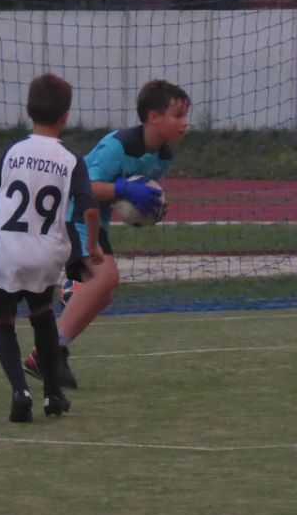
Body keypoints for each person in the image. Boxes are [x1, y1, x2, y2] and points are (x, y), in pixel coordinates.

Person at [22, 79, 191, 389]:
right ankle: (50, 351)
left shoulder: (163, 157)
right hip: (72, 212)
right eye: (178, 115)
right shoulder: (119, 146)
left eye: (186, 115)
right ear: (153, 117)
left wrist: (150, 208)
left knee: (104, 289)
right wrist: (123, 190)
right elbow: (84, 187)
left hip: (94, 220)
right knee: (106, 277)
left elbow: (125, 197)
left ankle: (50, 350)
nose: (185, 122)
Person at [0, 73, 104, 423]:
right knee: (42, 313)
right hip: (45, 255)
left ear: (27, 110)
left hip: (6, 252)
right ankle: (52, 393)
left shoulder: (11, 153)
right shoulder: (70, 159)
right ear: (66, 116)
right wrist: (92, 245)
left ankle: (20, 391)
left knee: (1, 321)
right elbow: (89, 208)